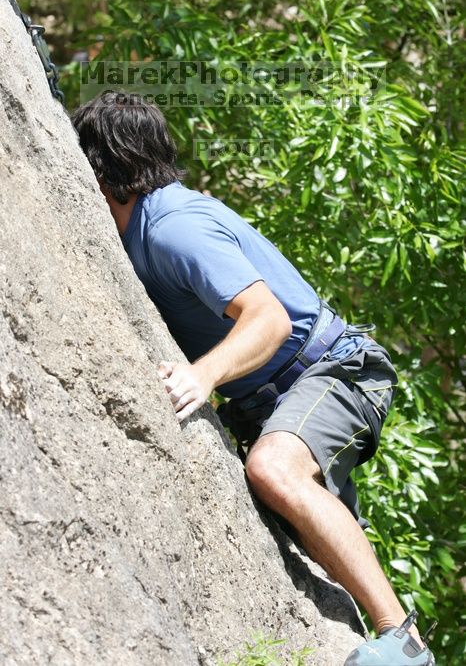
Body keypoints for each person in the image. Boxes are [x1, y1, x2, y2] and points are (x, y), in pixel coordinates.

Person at [72, 91, 435, 666]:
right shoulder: (152, 224)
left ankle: (404, 644)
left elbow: (268, 318)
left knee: (272, 469)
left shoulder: (173, 229)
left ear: (100, 171)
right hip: (278, 394)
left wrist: (203, 375)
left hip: (331, 372)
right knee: (312, 541)